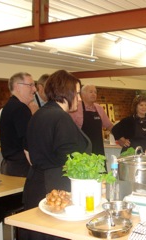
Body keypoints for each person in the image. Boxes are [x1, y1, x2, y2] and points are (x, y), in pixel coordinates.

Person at [22, 70, 91, 240]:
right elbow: (70, 161)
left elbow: (27, 152)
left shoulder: (38, 114)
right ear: (65, 92)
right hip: (56, 193)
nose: (79, 98)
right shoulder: (61, 118)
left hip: (35, 187)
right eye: (76, 93)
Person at [0, 72, 36, 177]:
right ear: (17, 87)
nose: (34, 89)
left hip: (11, 165)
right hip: (20, 167)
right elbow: (28, 141)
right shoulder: (20, 109)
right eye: (31, 85)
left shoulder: (10, 106)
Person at [70, 84, 113, 156]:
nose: (94, 94)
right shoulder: (75, 108)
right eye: (91, 92)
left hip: (98, 149)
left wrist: (121, 136)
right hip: (82, 150)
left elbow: (109, 126)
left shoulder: (99, 108)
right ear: (82, 94)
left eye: (95, 92)